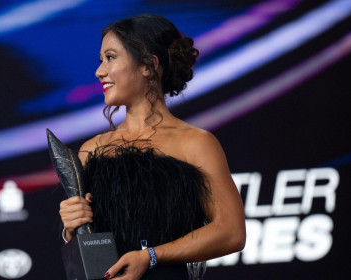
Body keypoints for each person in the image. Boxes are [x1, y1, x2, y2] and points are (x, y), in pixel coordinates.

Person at [59, 14, 245, 279]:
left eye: (111, 57)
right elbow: (88, 249)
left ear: (148, 65)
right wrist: (72, 227)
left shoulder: (196, 143)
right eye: (101, 60)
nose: (99, 71)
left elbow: (231, 232)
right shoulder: (91, 151)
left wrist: (151, 257)